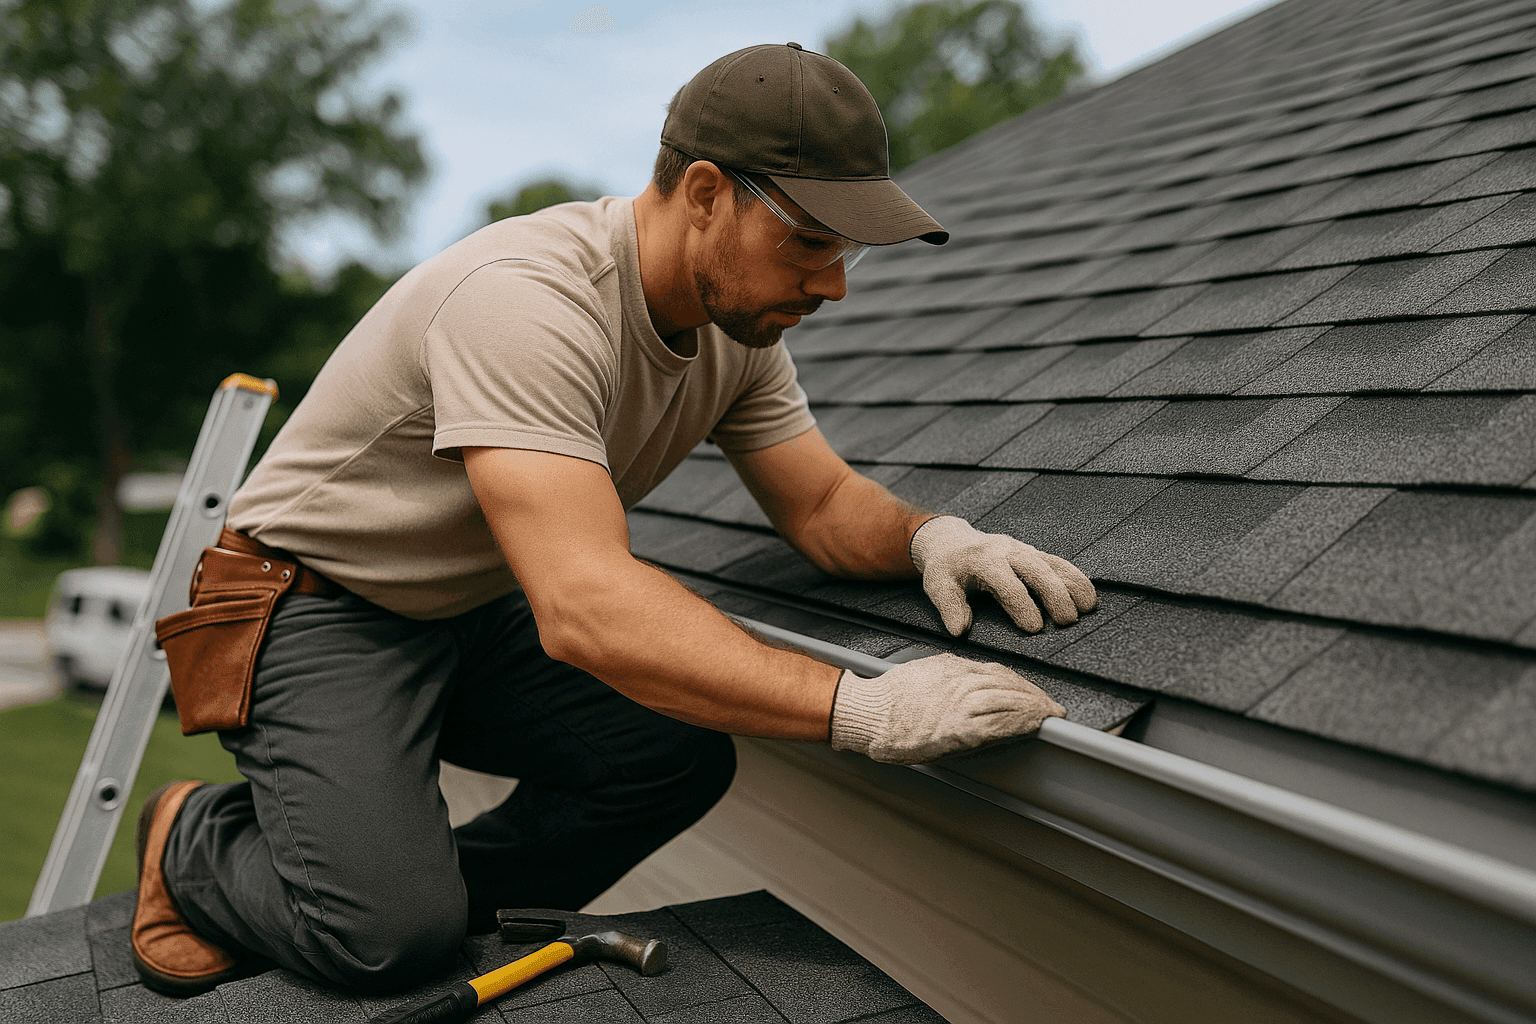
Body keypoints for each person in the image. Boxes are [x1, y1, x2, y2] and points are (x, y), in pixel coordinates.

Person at [130, 42, 1097, 998]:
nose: (833, 283)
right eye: (811, 241)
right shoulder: (526, 302)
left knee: (669, 760)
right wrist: (866, 709)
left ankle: (395, 885)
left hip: (462, 607)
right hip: (313, 606)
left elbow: (822, 504)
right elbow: (585, 606)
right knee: (386, 943)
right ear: (707, 193)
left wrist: (935, 537)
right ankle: (196, 839)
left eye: (845, 251)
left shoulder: (735, 335)